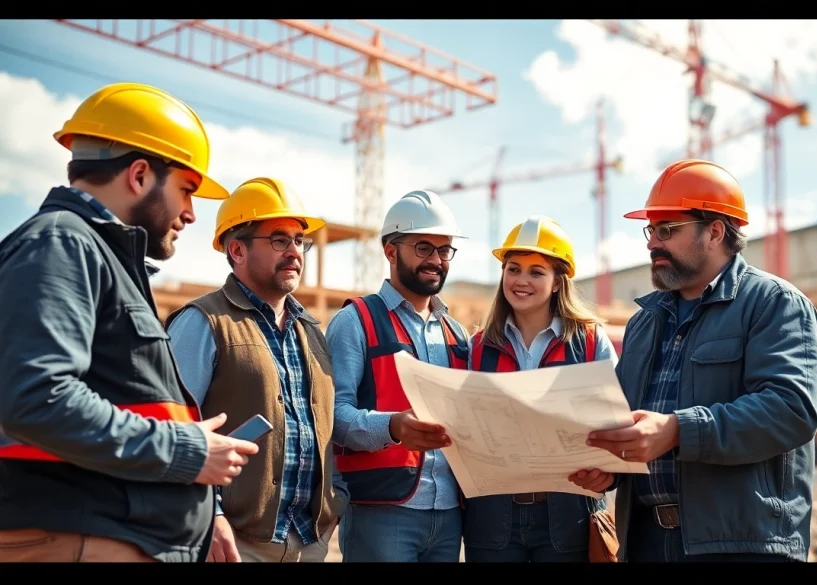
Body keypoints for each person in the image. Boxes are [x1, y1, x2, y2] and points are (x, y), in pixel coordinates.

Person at [0, 82, 259, 563]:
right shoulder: (64, 244)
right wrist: (184, 450)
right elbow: (36, 396)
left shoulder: (96, 256)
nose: (189, 213)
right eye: (186, 189)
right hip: (76, 540)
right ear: (139, 175)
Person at [585, 159, 817, 563]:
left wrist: (679, 429)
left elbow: (791, 409)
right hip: (643, 540)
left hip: (741, 544)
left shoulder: (774, 304)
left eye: (667, 230)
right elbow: (627, 420)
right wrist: (607, 465)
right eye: (651, 230)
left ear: (715, 231)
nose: (651, 243)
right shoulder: (645, 322)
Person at [165, 177, 344, 563]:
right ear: (237, 250)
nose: (295, 252)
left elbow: (328, 427)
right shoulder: (203, 322)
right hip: (232, 543)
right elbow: (173, 431)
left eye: (300, 241)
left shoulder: (311, 331)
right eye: (280, 239)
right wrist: (208, 515)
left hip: (309, 542)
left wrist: (335, 501)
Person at [461, 215, 619, 563]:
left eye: (536, 271)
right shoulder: (476, 348)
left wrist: (610, 475)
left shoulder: (590, 343)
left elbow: (618, 423)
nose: (521, 280)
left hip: (571, 515)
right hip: (492, 519)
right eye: (513, 269)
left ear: (558, 282)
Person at [326, 189, 470, 562]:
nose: (436, 260)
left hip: (449, 513)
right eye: (423, 248)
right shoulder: (356, 321)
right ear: (391, 251)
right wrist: (392, 427)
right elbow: (331, 416)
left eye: (444, 250)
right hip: (381, 511)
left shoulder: (456, 334)